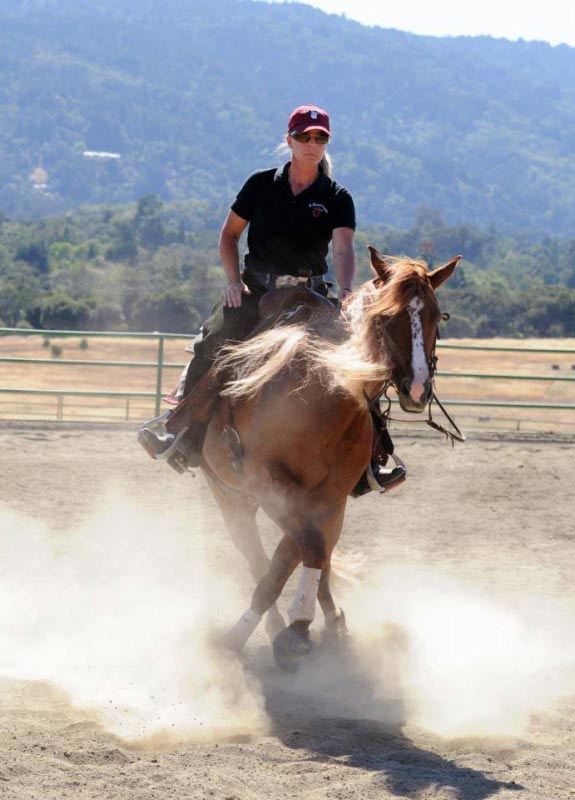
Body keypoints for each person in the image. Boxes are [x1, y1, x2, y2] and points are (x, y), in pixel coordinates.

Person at [138, 104, 404, 493]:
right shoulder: (260, 185)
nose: (312, 144)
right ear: (289, 141)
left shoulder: (336, 196)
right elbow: (229, 235)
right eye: (304, 137)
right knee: (215, 342)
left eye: (320, 138)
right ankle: (181, 434)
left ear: (326, 143)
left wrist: (346, 291)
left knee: (356, 362)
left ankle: (371, 459)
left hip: (310, 293)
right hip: (256, 290)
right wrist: (232, 282)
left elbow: (343, 249)